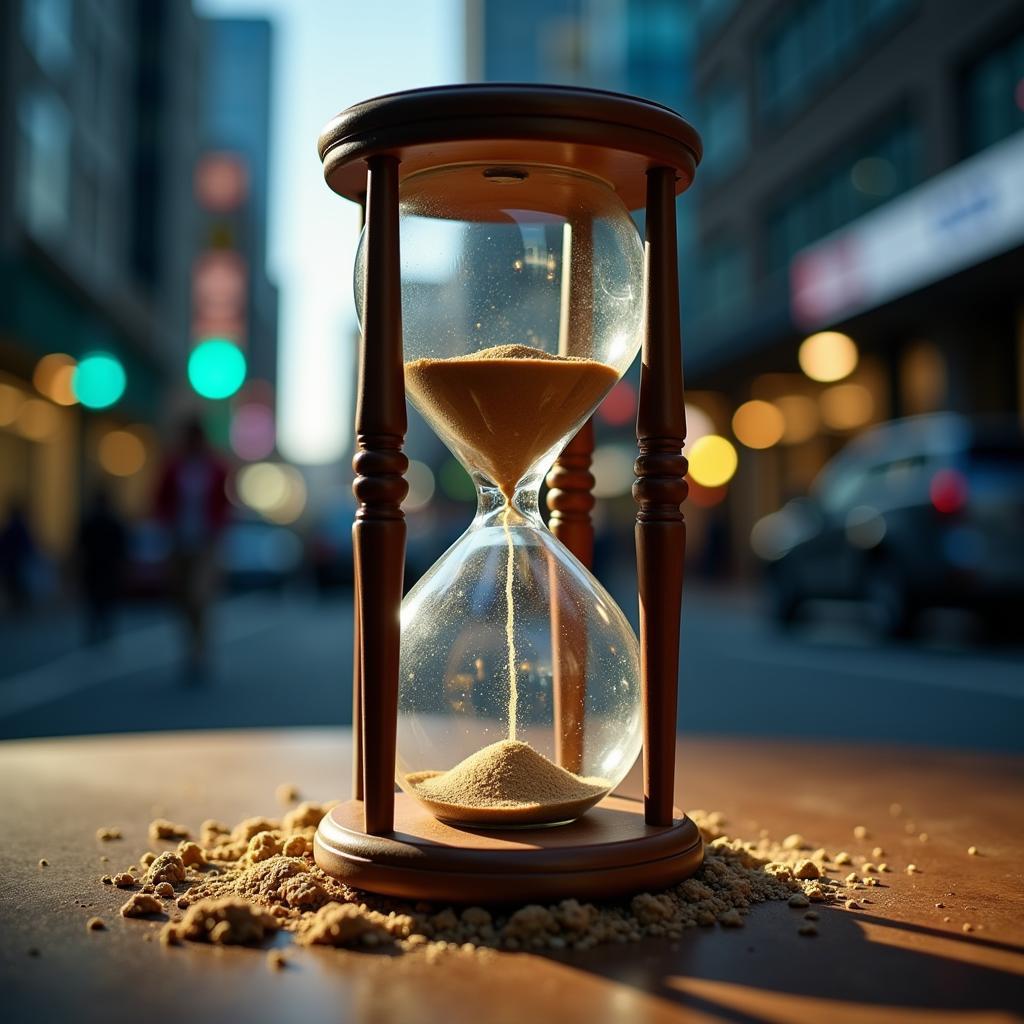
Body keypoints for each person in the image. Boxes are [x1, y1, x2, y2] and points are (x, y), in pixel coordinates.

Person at [155, 418, 230, 678]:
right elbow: (160, 500)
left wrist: (218, 529)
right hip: (178, 541)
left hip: (206, 543)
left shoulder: (216, 468)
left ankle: (199, 652)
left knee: (199, 596)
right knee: (182, 598)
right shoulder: (174, 466)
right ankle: (190, 645)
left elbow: (225, 503)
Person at [77, 490, 126, 644]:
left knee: (94, 601)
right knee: (106, 601)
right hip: (107, 568)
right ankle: (105, 630)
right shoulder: (113, 521)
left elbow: (80, 545)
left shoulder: (90, 521)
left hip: (94, 566)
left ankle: (94, 631)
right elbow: (122, 547)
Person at [0, 502, 34, 612]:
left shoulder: (11, 527)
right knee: (17, 588)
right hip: (17, 564)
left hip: (12, 564)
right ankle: (19, 608)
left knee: (15, 588)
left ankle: (18, 608)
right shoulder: (19, 527)